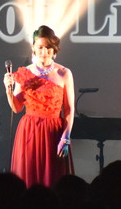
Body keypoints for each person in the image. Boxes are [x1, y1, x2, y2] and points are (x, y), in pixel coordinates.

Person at [4, 25, 75, 187]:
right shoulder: (25, 73)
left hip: (54, 131)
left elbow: (69, 109)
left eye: (48, 47)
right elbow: (16, 108)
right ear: (34, 48)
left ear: (54, 48)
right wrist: (8, 90)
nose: (44, 51)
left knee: (53, 177)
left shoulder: (64, 73)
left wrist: (66, 137)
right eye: (40, 47)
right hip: (29, 131)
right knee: (29, 176)